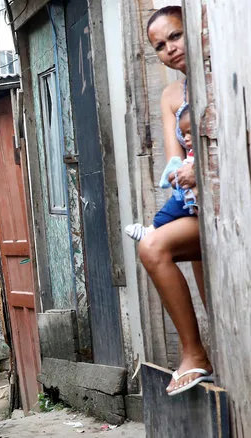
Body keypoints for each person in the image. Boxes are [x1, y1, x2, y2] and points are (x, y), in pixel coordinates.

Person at [138, 6, 212, 396]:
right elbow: (172, 163)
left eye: (176, 36)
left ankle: (194, 353)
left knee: (152, 245)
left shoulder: (223, 70)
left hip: (229, 203)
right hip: (198, 204)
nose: (170, 48)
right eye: (160, 46)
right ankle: (203, 356)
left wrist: (201, 167)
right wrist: (182, 171)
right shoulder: (170, 94)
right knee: (207, 291)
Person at [125, 105, 197, 240]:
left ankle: (152, 230)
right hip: (189, 198)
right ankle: (152, 229)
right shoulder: (192, 152)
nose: (186, 138)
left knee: (171, 209)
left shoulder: (202, 151)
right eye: (183, 134)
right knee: (171, 208)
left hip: (194, 199)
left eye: (190, 132)